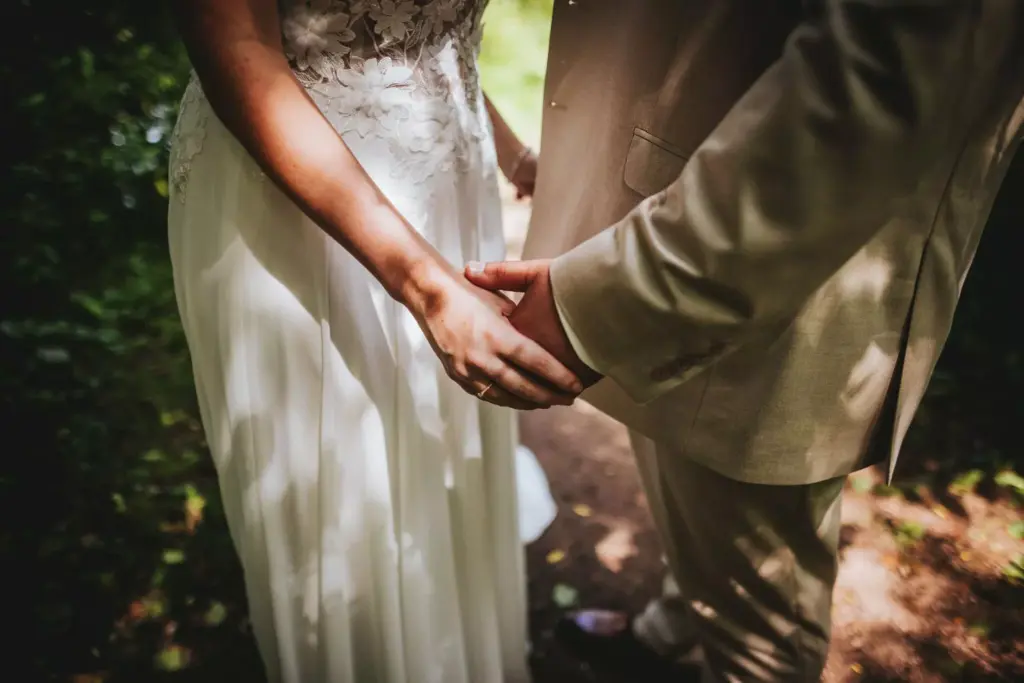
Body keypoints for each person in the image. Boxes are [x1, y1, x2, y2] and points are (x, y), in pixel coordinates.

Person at [466, 0, 1024, 681]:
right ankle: (675, 628)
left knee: (763, 626)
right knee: (685, 481)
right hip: (667, 196)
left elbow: (883, 85)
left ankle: (710, 639)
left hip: (770, 262)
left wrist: (612, 302)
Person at [166, 1, 575, 681]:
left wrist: (510, 151)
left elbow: (429, 37)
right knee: (352, 504)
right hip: (303, 202)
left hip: (449, 178)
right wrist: (428, 288)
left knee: (443, 467)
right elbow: (237, 50)